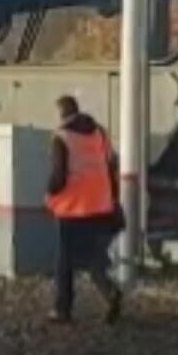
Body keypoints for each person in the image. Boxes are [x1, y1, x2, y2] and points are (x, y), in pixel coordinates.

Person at [45, 94, 124, 325]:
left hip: (72, 208)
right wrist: (113, 197)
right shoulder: (99, 132)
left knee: (64, 260)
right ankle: (110, 293)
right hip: (101, 205)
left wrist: (49, 192)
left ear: (60, 113)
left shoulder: (61, 137)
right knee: (93, 258)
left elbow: (58, 175)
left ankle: (62, 308)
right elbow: (112, 163)